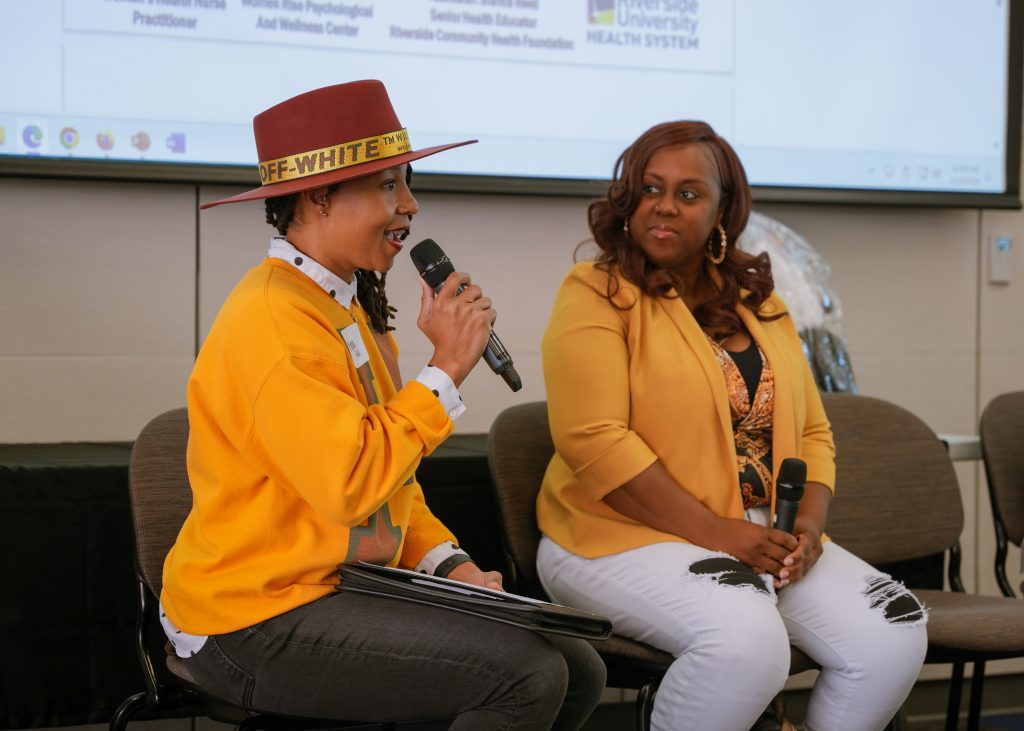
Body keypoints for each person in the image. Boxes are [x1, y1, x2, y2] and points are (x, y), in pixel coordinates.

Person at [160, 80, 605, 729]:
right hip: (252, 618)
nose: (411, 205)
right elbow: (352, 480)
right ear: (318, 196)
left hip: (339, 586)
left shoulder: (346, 307)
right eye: (389, 186)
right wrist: (447, 367)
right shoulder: (273, 322)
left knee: (577, 664)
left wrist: (448, 563)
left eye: (407, 182)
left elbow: (390, 482)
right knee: (525, 674)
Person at [535, 121, 928, 731]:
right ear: (628, 200)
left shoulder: (760, 304)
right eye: (649, 189)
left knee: (893, 631)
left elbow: (815, 435)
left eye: (689, 194)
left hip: (754, 533)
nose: (665, 205)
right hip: (612, 537)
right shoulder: (597, 292)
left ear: (722, 211)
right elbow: (595, 442)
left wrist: (810, 534)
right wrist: (720, 533)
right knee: (747, 645)